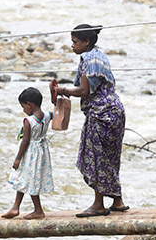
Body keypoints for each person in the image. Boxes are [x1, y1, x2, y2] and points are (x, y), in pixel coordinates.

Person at [52, 23, 129, 218]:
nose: (72, 45)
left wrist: (61, 90)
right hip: (114, 112)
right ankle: (117, 201)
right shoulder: (99, 56)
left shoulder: (89, 59)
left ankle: (98, 205)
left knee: (96, 157)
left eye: (75, 42)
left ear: (87, 42)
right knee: (110, 157)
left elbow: (84, 91)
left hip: (101, 114)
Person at [1, 87, 54, 220]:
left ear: (30, 104)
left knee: (29, 180)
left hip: (29, 154)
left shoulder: (28, 121)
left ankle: (38, 210)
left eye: (23, 106)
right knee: (24, 178)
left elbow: (25, 141)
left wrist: (18, 159)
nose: (23, 110)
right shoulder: (47, 116)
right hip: (41, 152)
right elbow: (57, 114)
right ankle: (15, 207)